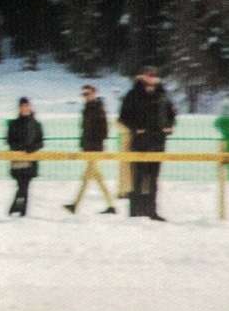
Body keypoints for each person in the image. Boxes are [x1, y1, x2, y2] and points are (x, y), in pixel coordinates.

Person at [119, 67, 176, 221]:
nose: (151, 78)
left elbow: (172, 115)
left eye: (154, 76)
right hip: (139, 143)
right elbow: (123, 117)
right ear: (142, 76)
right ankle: (134, 212)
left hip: (158, 142)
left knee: (153, 180)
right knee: (137, 178)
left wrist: (169, 127)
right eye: (148, 75)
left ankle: (151, 211)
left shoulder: (163, 95)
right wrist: (136, 128)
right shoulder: (133, 94)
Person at [65, 85, 117, 215]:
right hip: (88, 147)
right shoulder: (87, 109)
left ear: (94, 93)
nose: (86, 96)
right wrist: (84, 145)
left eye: (87, 93)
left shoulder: (98, 109)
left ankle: (75, 205)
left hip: (94, 148)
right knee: (95, 177)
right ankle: (111, 205)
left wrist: (95, 144)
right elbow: (84, 129)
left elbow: (104, 130)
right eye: (84, 94)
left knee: (88, 177)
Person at [6, 97, 44, 216]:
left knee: (25, 185)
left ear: (30, 107)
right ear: (19, 108)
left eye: (27, 106)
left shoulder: (36, 124)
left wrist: (32, 148)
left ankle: (19, 209)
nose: (25, 108)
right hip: (17, 160)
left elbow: (40, 142)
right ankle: (18, 209)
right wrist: (20, 148)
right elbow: (9, 141)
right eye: (22, 106)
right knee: (22, 185)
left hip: (31, 160)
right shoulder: (13, 124)